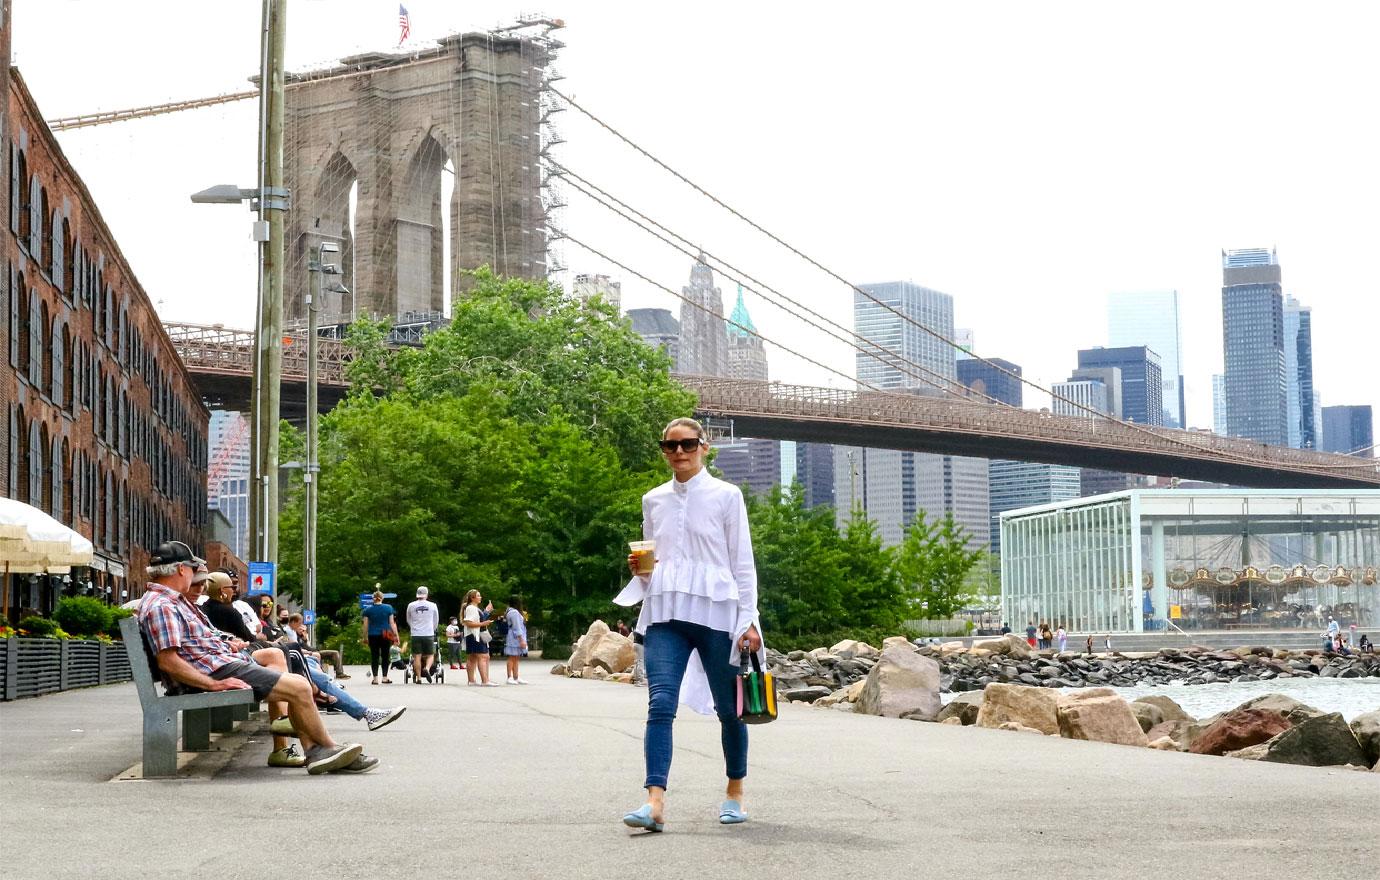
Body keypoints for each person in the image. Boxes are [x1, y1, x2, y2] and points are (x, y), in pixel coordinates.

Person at [614, 417, 763, 832]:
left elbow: (743, 564)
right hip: (665, 611)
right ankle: (654, 802)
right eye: (670, 445)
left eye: (687, 444)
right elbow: (653, 564)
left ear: (704, 447)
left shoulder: (727, 496)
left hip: (718, 614)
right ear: (663, 450)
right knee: (660, 702)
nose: (679, 452)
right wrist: (640, 572)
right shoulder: (653, 499)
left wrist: (748, 620)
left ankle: (734, 791)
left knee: (729, 710)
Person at [136, 540, 370, 774]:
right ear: (180, 569)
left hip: (219, 664)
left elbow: (200, 640)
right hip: (215, 671)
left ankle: (317, 751)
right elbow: (168, 660)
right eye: (192, 569)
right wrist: (213, 684)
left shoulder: (171, 601)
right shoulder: (163, 605)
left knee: (295, 681)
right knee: (299, 687)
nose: (194, 576)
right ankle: (325, 748)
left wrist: (230, 646)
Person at [287, 613, 349, 680]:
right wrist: (309, 652)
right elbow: (297, 646)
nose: (300, 627)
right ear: (293, 622)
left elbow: (308, 645)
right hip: (308, 652)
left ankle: (338, 673)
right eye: (299, 624)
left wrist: (305, 638)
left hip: (313, 650)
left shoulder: (298, 635)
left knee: (334, 652)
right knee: (322, 655)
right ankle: (323, 675)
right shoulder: (290, 632)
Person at [201, 573, 258, 642]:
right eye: (232, 587)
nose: (233, 591)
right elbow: (249, 639)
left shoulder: (202, 608)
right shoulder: (230, 612)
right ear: (222, 590)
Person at [361, 590, 399, 684]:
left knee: (374, 656)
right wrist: (396, 635)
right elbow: (392, 623)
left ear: (373, 599)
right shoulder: (388, 608)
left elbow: (365, 625)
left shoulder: (367, 610)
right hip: (386, 634)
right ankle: (385, 678)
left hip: (373, 635)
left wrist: (364, 637)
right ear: (382, 598)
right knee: (385, 656)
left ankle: (375, 678)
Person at [462, 589, 498, 686]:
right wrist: (484, 623)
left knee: (472, 657)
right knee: (483, 656)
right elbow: (469, 623)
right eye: (478, 595)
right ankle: (485, 680)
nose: (480, 597)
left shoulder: (473, 608)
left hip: (473, 635)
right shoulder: (471, 608)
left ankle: (472, 680)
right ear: (472, 598)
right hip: (475, 635)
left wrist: (486, 611)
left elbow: (477, 619)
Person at [405, 586, 440, 683]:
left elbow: (408, 619)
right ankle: (427, 668)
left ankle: (419, 678)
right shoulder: (433, 605)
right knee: (430, 654)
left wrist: (413, 627)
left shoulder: (411, 605)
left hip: (416, 634)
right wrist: (432, 629)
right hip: (428, 633)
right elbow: (436, 620)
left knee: (417, 656)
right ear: (427, 594)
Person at [503, 596, 529, 685]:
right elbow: (516, 627)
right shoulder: (514, 612)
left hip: (515, 637)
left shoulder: (510, 611)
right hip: (515, 638)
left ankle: (516, 676)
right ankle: (509, 677)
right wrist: (521, 639)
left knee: (516, 657)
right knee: (512, 657)